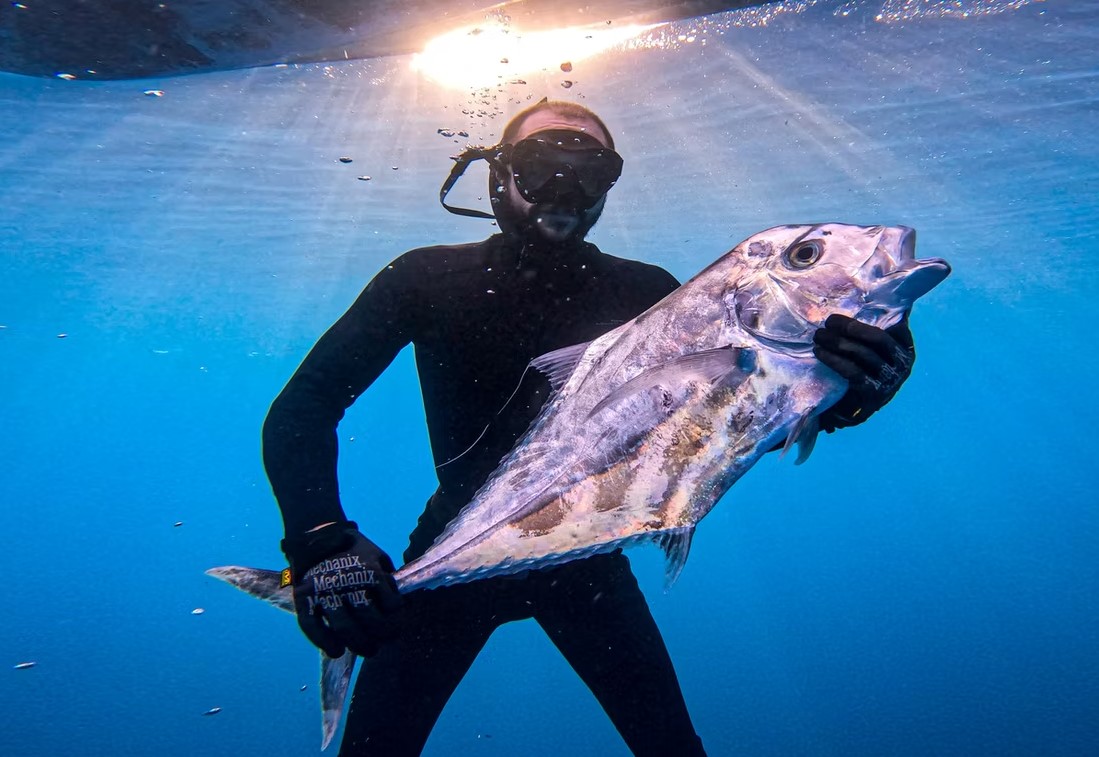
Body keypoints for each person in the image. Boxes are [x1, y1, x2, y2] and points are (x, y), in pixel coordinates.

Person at [262, 99, 917, 756]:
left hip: (586, 561)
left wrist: (844, 392)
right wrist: (319, 540)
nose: (565, 188)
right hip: (455, 540)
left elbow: (714, 431)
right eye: (541, 164)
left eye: (591, 172)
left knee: (673, 749)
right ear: (498, 175)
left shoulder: (648, 294)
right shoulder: (427, 280)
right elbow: (305, 406)